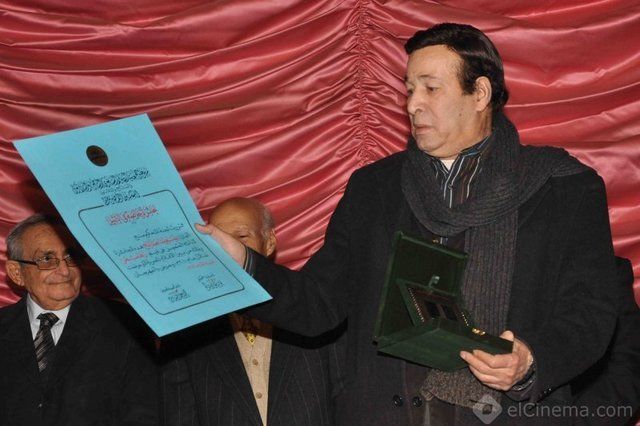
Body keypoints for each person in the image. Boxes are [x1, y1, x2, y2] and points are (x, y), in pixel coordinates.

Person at [198, 23, 618, 425]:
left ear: (480, 94)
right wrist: (244, 265)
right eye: (409, 89)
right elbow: (318, 303)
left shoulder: (562, 188)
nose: (413, 104)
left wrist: (529, 360)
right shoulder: (375, 188)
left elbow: (591, 313)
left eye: (430, 88)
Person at [161, 197, 345, 426]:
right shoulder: (188, 332)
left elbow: (346, 400)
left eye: (240, 237)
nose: (227, 249)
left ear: (269, 242)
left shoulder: (315, 309)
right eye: (217, 241)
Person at [0, 214, 158, 425]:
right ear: (16, 273)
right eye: (47, 259)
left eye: (70, 256)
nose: (65, 270)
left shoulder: (126, 324)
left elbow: (145, 414)